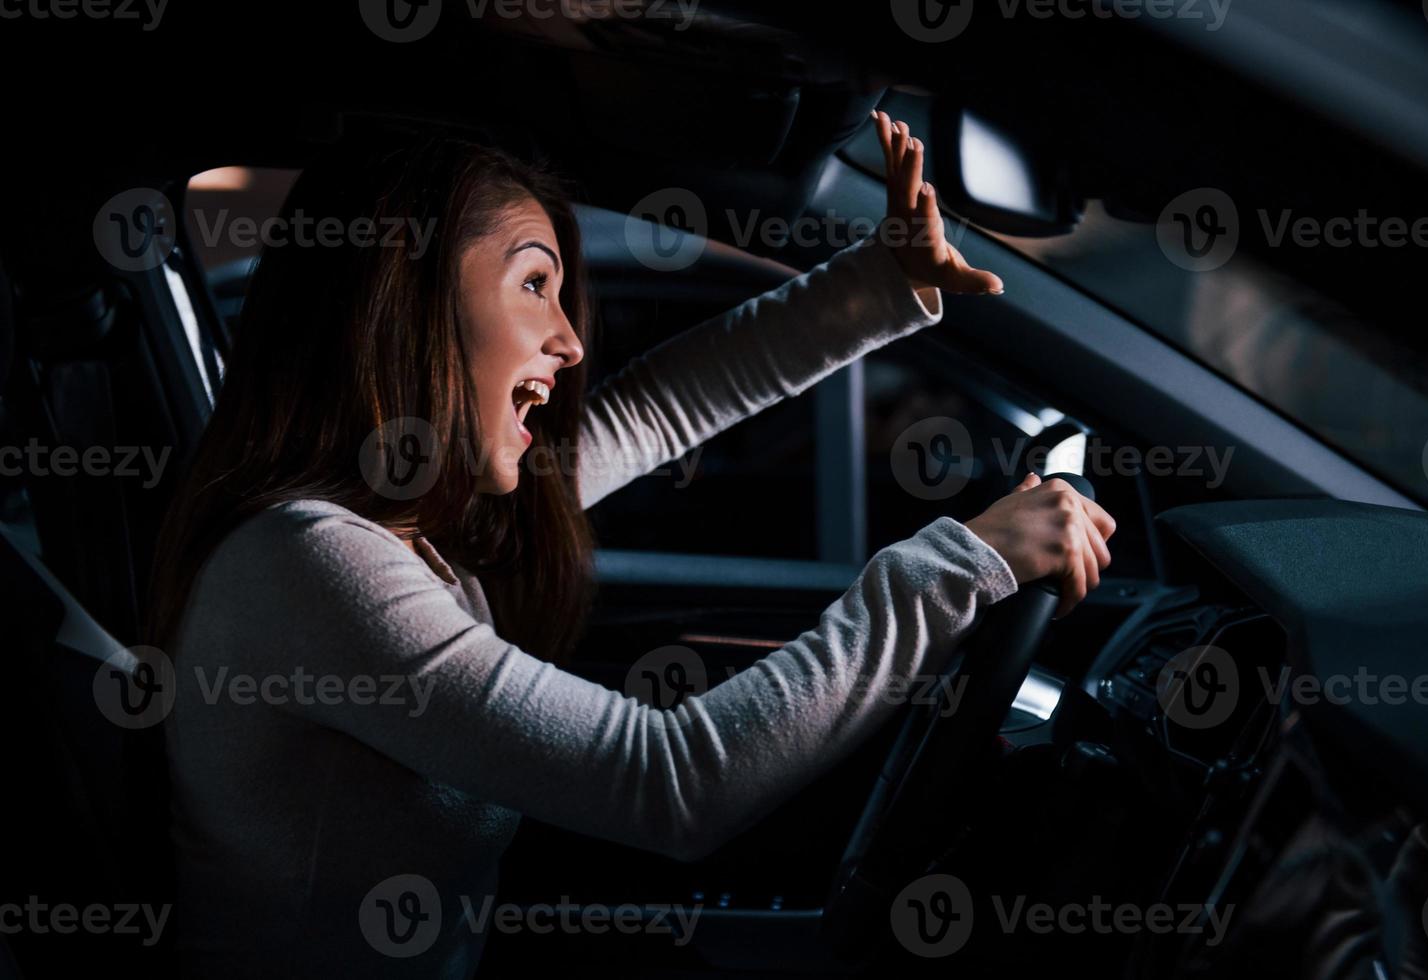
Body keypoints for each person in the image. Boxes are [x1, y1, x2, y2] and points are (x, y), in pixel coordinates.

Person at [146, 110, 1115, 977]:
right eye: (534, 284)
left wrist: (882, 281)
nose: (568, 343)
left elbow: (658, 408)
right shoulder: (312, 560)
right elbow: (669, 781)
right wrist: (954, 565)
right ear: (404, 302)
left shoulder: (412, 531)